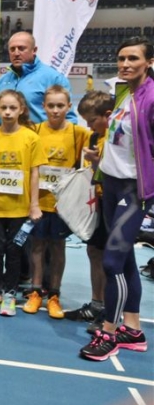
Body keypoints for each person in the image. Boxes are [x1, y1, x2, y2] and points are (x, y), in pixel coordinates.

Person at [79, 37, 153, 362]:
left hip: (133, 190)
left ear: (149, 62)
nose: (125, 64)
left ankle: (109, 333)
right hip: (109, 183)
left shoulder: (152, 98)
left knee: (111, 263)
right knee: (125, 260)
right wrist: (99, 161)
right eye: (121, 58)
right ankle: (133, 330)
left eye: (133, 58)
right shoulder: (123, 92)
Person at [24, 85, 90, 319]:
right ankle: (35, 291)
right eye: (50, 105)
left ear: (69, 107)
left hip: (63, 205)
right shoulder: (35, 131)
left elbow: (85, 166)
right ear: (43, 107)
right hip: (38, 202)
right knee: (37, 246)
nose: (55, 110)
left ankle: (54, 295)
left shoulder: (78, 133)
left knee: (58, 247)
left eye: (60, 105)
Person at [0, 90, 46, 317]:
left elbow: (35, 173)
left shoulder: (31, 138)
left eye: (12, 108)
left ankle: (10, 293)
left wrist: (34, 205)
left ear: (21, 110)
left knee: (15, 250)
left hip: (20, 208)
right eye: (3, 108)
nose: (8, 112)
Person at [66, 90, 112, 332]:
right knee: (94, 251)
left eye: (92, 120)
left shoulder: (116, 138)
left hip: (115, 204)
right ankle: (96, 304)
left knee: (111, 259)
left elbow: (117, 173)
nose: (89, 126)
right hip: (97, 202)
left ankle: (111, 311)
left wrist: (96, 163)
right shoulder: (94, 138)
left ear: (108, 115)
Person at [0, 32, 77, 130]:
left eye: (21, 48)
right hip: (6, 139)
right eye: (12, 49)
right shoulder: (2, 81)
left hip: (41, 138)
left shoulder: (54, 78)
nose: (16, 53)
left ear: (34, 50)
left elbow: (69, 118)